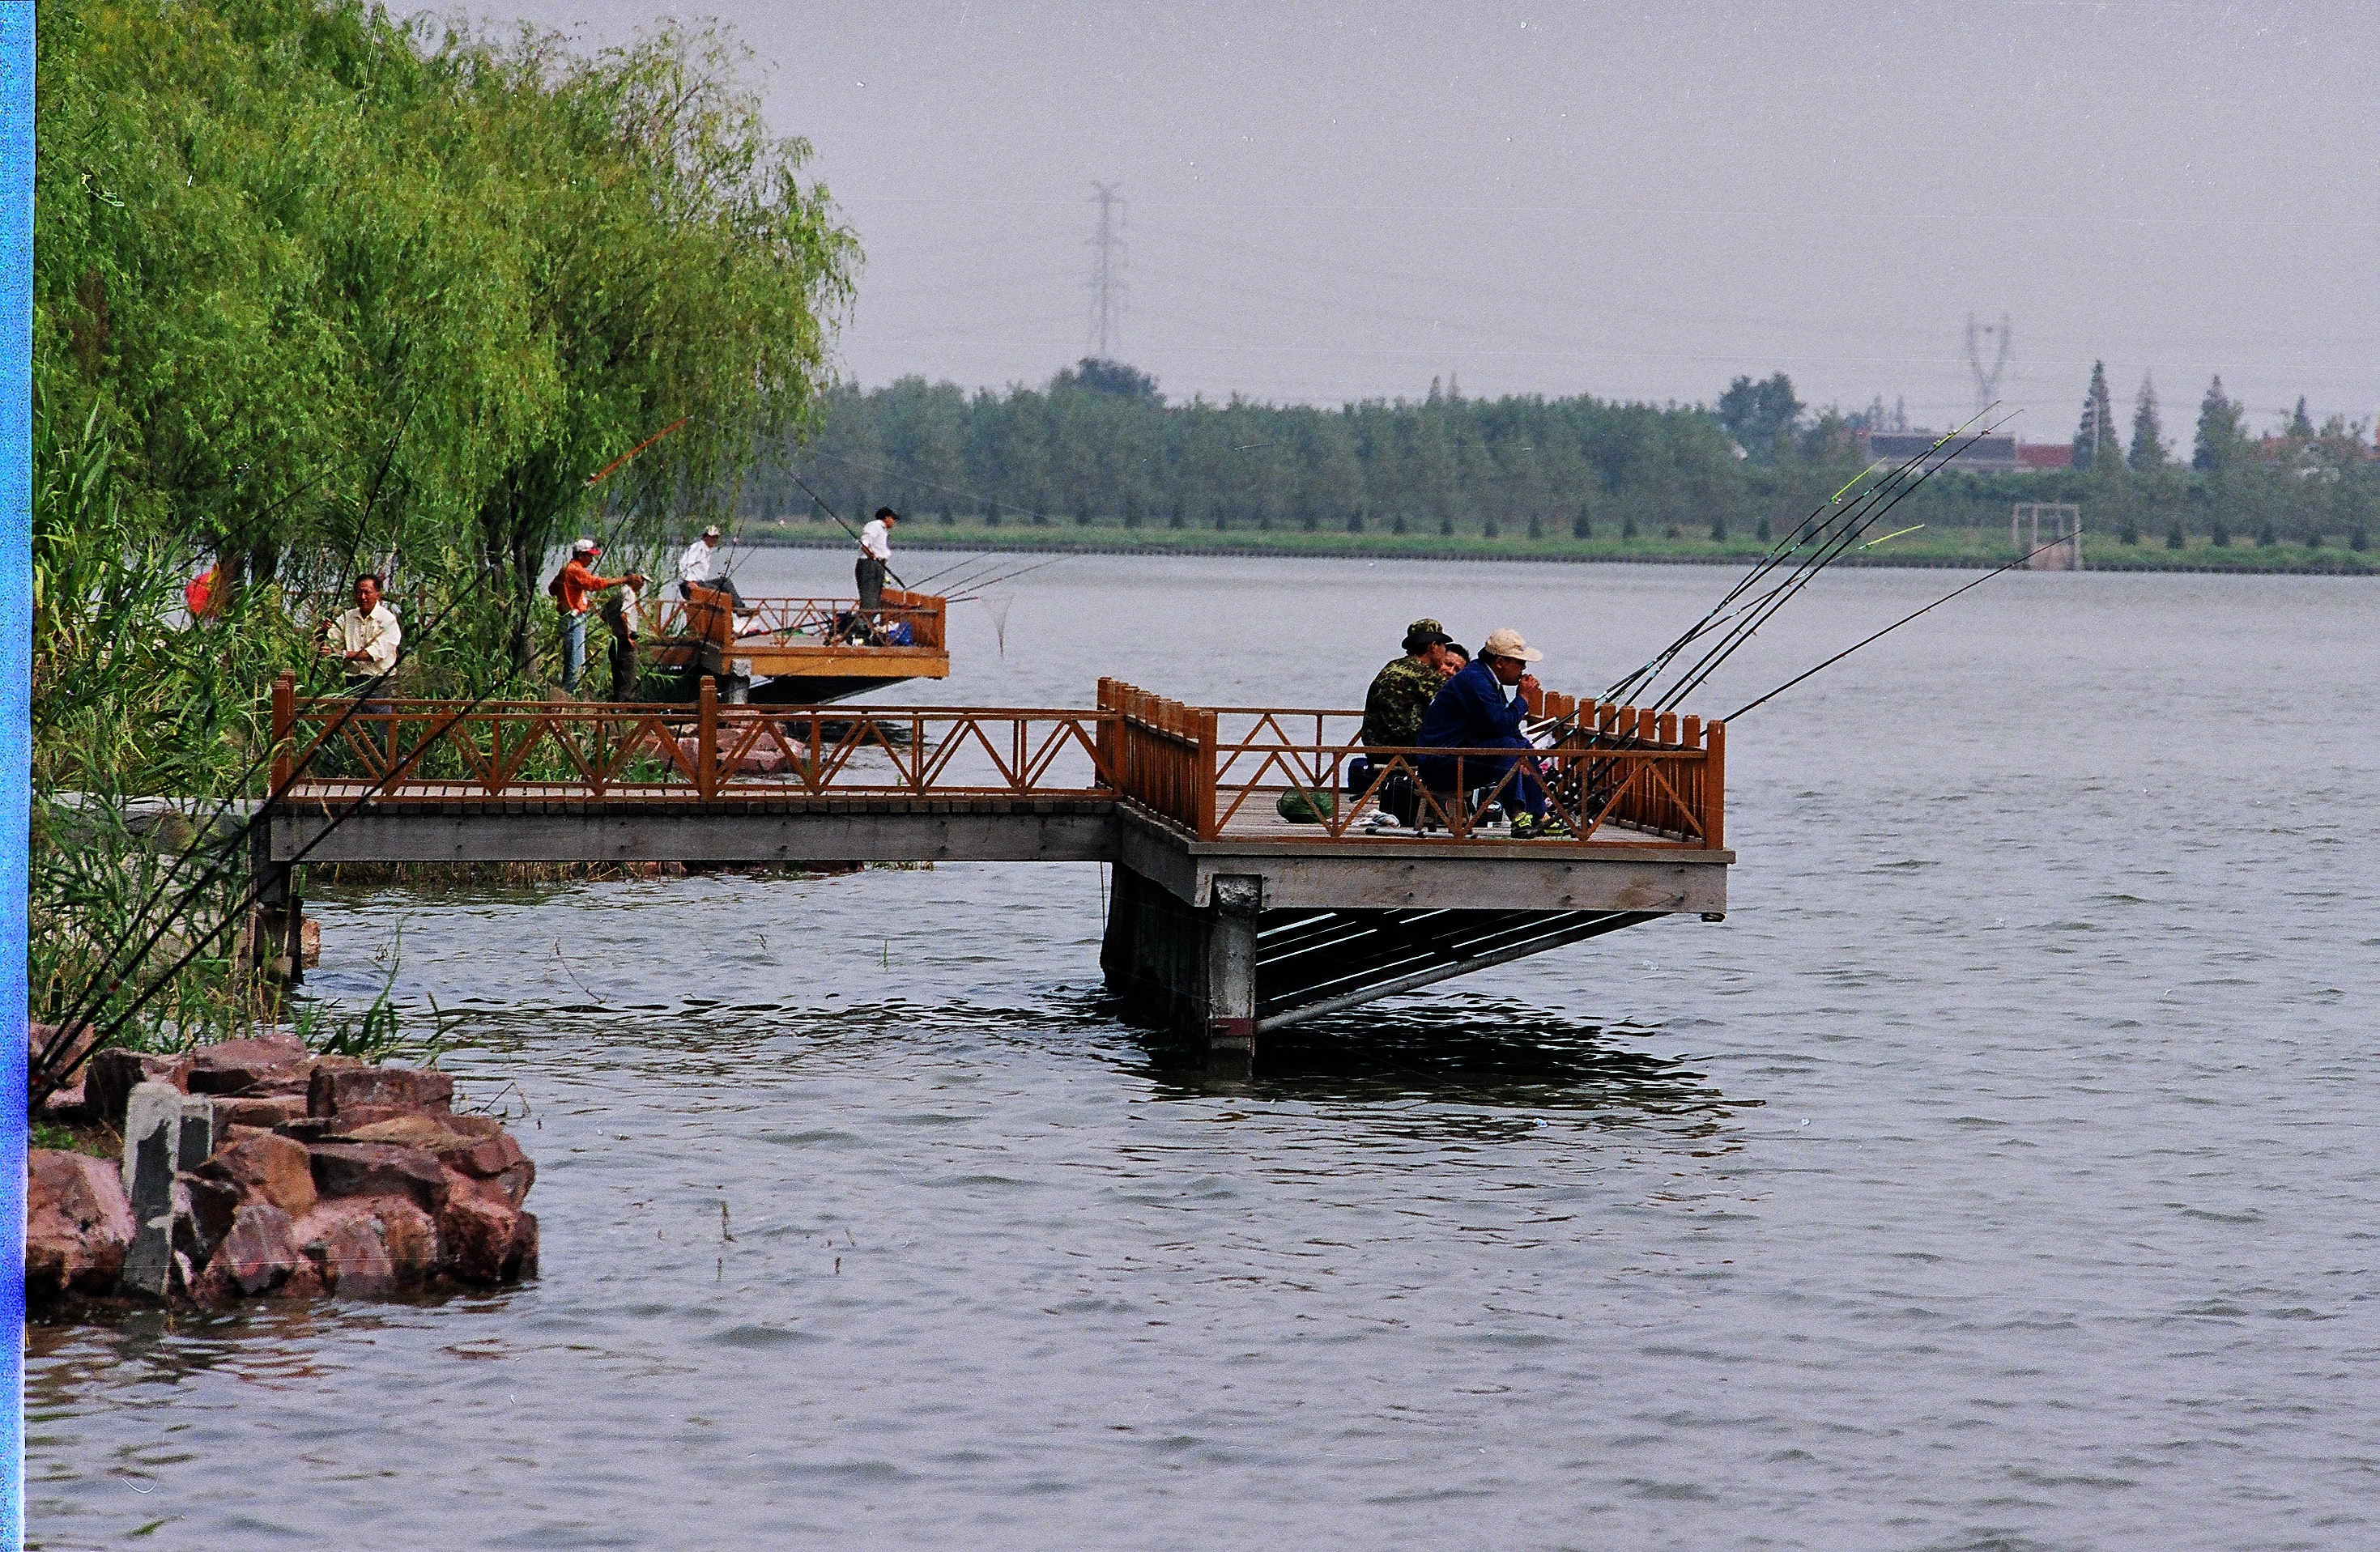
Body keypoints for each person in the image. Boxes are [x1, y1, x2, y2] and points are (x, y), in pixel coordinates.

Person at [1416, 627, 1567, 839]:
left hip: (1461, 754)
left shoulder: (1486, 679)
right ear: (1500, 662)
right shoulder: (1475, 681)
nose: (1524, 669)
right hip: (1440, 763)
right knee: (1508, 747)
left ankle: (1537, 813)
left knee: (1521, 746)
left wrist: (1525, 758)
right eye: (1520, 663)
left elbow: (1508, 729)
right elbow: (1499, 726)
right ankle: (1517, 815)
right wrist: (1523, 698)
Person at [551, 539, 644, 694]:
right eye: (590, 556)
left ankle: (570, 691)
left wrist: (568, 591)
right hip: (574, 617)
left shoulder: (565, 569)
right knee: (577, 659)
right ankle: (572, 694)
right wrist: (625, 579)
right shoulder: (576, 570)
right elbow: (596, 584)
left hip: (566, 617)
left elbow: (552, 589)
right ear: (581, 555)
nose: (592, 559)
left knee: (572, 656)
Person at [1361, 617, 1454, 750]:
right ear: (1434, 646)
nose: (1445, 651)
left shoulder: (1393, 666)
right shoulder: (1423, 674)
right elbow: (1458, 699)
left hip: (1375, 749)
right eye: (1444, 645)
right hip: (1403, 750)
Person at [317, 572, 401, 693]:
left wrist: (341, 653)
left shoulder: (388, 620)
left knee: (376, 711)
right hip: (353, 679)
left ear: (378, 595)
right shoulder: (348, 617)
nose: (362, 597)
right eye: (358, 592)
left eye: (367, 592)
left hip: (379, 680)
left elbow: (373, 655)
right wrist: (324, 630)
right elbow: (326, 640)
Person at [600, 573, 643, 700]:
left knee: (618, 677)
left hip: (616, 639)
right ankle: (623, 712)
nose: (643, 584)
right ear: (634, 578)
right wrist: (627, 636)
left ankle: (617, 709)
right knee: (628, 680)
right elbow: (623, 615)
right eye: (642, 580)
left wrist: (615, 629)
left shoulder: (619, 592)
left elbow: (604, 615)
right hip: (625, 640)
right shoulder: (629, 593)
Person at [856, 506, 898, 614]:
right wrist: (869, 553)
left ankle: (866, 625)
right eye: (893, 519)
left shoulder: (883, 530)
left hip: (878, 565)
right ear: (886, 518)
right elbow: (864, 543)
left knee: (876, 600)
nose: (894, 522)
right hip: (869, 565)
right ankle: (861, 625)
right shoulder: (875, 526)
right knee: (869, 600)